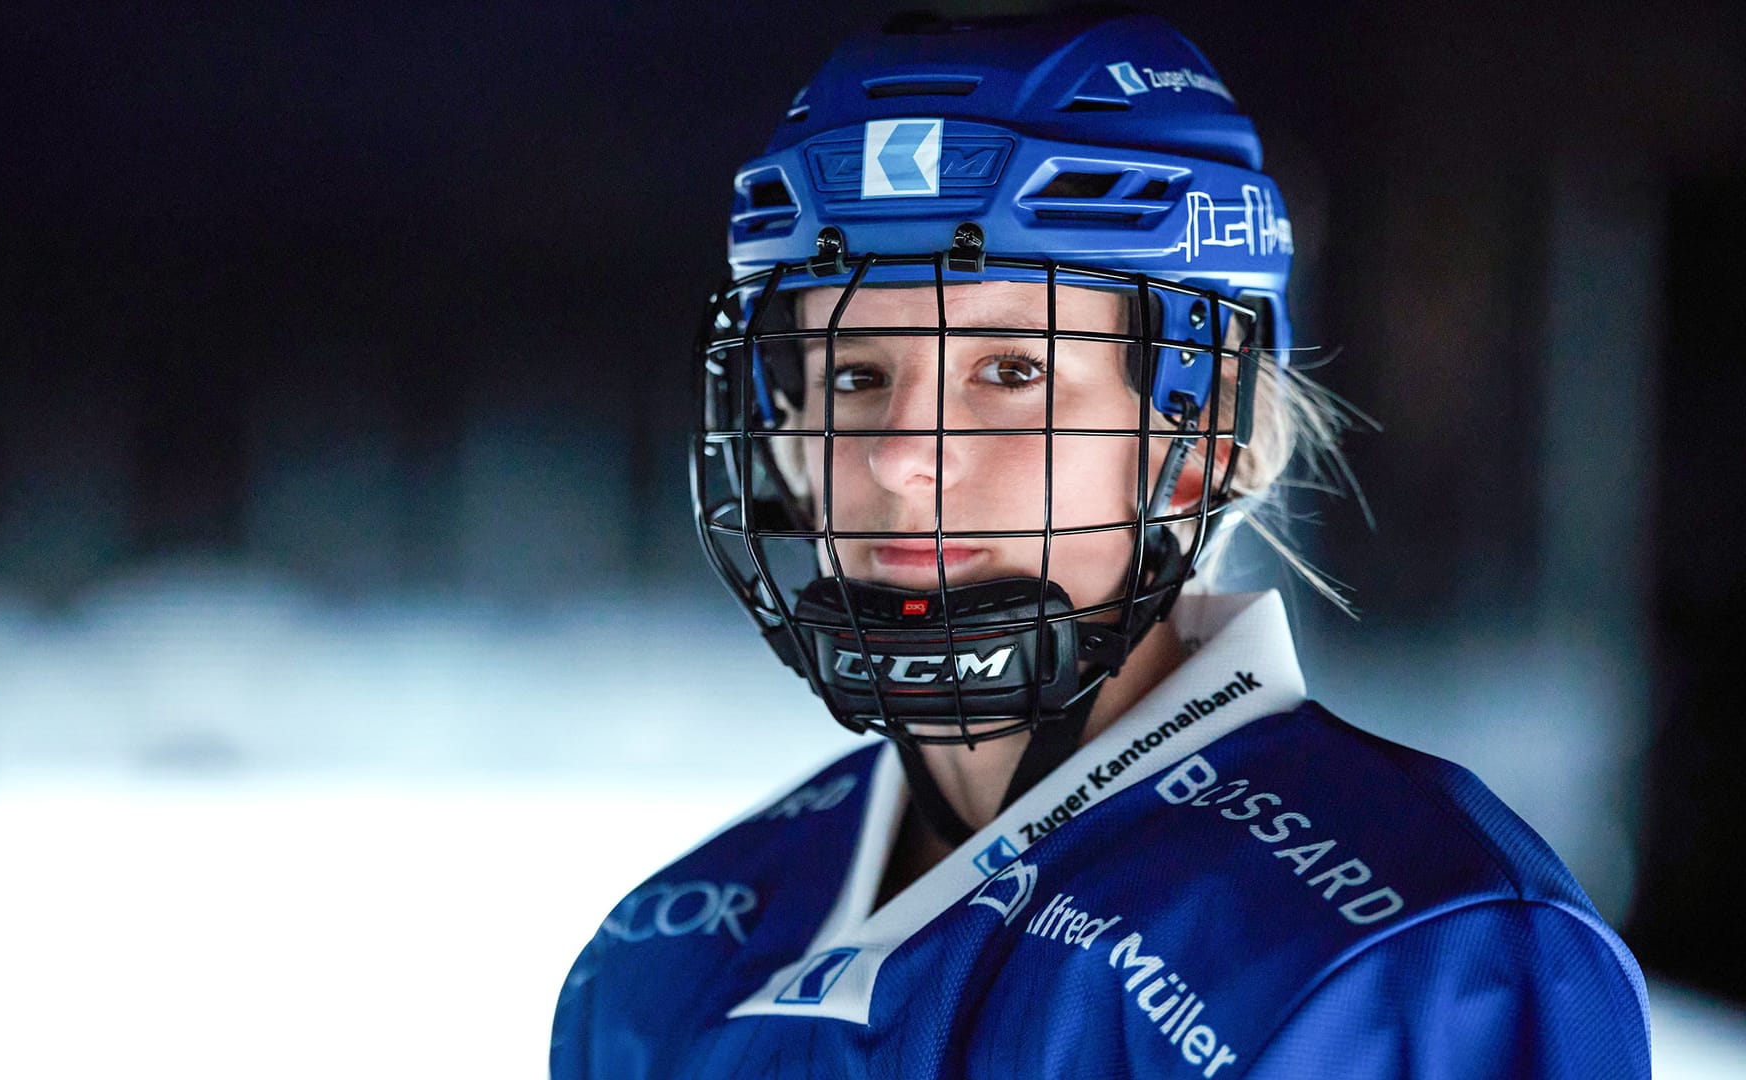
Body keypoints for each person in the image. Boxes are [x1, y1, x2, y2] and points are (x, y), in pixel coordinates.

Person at [552, 9, 1652, 1078]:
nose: (897, 458)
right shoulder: (666, 955)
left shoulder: (1405, 948)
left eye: (1011, 373)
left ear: (1197, 435)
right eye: (854, 376)